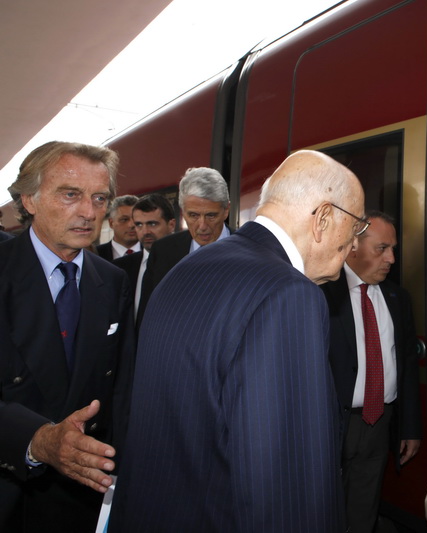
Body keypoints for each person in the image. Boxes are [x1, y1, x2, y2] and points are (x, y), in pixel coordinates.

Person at [108, 150, 366, 533]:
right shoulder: (288, 293)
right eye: (356, 226)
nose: (355, 244)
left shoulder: (185, 268)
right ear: (324, 218)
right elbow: (284, 483)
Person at [0, 141, 135, 532]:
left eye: (99, 198)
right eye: (71, 195)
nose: (89, 213)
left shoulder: (112, 280)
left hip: (85, 496)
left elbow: (122, 391)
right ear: (29, 199)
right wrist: (38, 439)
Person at [322, 211, 422, 533]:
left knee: (363, 510)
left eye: (393, 249)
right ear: (353, 246)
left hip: (379, 422)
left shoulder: (397, 298)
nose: (391, 258)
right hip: (334, 422)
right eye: (382, 249)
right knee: (326, 509)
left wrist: (409, 427)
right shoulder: (322, 295)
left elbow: (406, 365)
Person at [137, 166, 230, 321]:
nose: (202, 226)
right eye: (193, 215)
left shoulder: (252, 250)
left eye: (211, 216)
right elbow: (147, 316)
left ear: (226, 210)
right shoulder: (162, 251)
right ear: (182, 212)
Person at [113, 194, 176, 320]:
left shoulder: (184, 263)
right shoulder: (120, 268)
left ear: (171, 225)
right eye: (139, 225)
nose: (145, 231)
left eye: (152, 224)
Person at [95, 195, 140, 260]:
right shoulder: (95, 254)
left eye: (136, 219)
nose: (132, 225)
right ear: (111, 223)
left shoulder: (152, 252)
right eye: (124, 219)